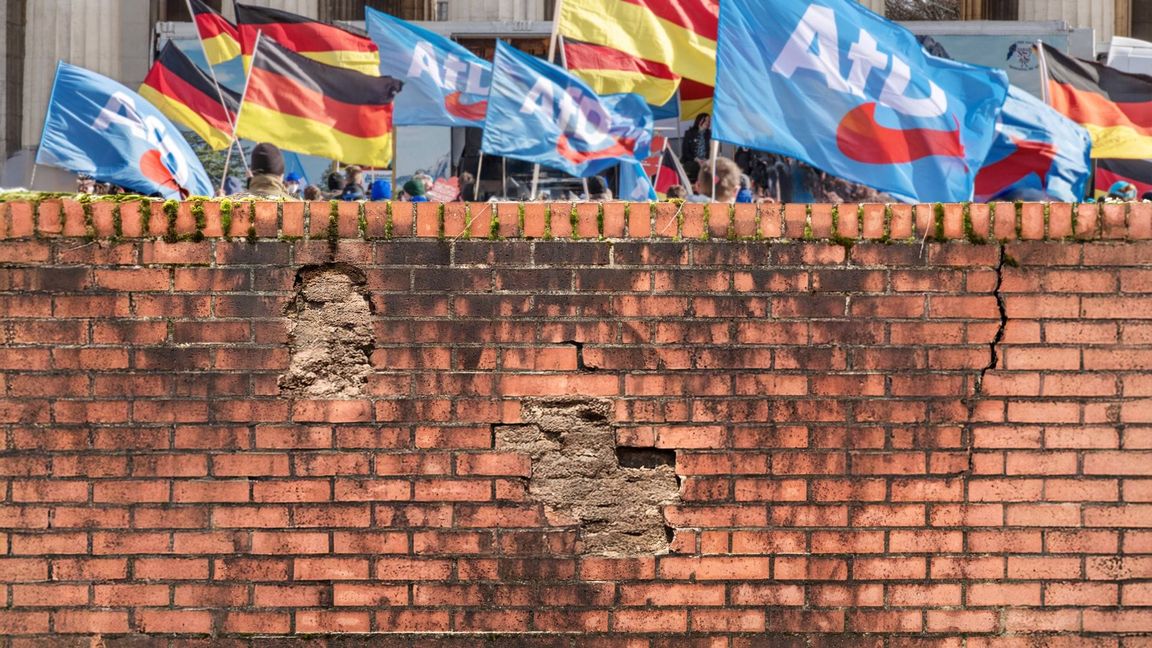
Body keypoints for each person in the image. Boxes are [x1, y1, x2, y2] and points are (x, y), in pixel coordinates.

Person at [681, 113, 712, 182]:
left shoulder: (709, 134)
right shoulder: (689, 133)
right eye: (706, 120)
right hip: (692, 161)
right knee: (696, 167)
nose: (708, 123)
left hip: (705, 161)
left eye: (709, 121)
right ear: (700, 121)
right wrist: (696, 159)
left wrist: (705, 159)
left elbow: (711, 150)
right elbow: (685, 151)